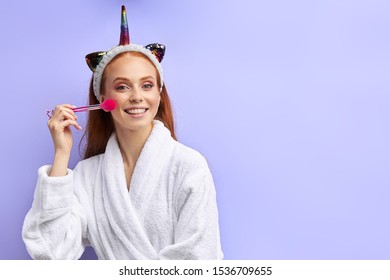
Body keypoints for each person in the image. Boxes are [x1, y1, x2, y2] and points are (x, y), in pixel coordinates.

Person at [22, 5, 223, 260]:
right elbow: (51, 252)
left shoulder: (188, 165)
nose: (137, 97)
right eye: (123, 86)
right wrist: (61, 154)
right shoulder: (88, 176)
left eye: (147, 85)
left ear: (159, 95)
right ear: (102, 98)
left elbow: (199, 259)